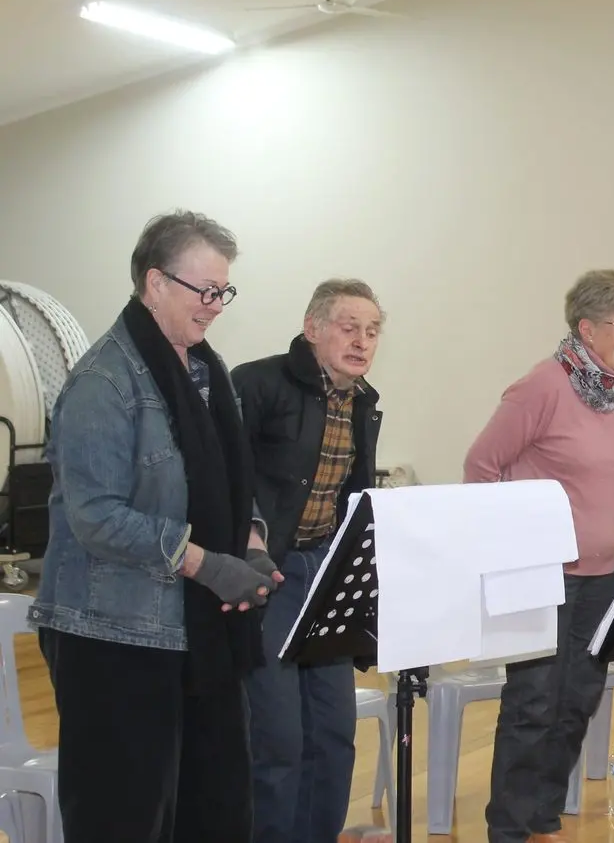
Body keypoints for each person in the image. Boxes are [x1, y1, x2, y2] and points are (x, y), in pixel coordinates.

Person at [28, 210, 280, 843]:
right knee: (125, 817)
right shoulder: (101, 383)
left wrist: (248, 544)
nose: (217, 305)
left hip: (198, 636)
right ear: (154, 283)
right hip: (114, 636)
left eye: (224, 290)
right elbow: (97, 518)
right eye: (205, 290)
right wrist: (205, 563)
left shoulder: (206, 371)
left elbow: (229, 480)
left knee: (214, 807)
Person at [465, 269, 614, 843]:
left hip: (599, 576)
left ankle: (542, 820)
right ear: (587, 327)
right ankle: (510, 828)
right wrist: (513, 549)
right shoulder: (542, 386)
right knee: (534, 704)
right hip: (541, 575)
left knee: (576, 702)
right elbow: (480, 467)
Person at [233, 279, 385, 843]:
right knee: (277, 736)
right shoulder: (257, 383)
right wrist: (248, 546)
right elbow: (226, 476)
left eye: (372, 331)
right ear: (313, 327)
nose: (362, 341)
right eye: (349, 327)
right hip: (269, 573)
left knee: (333, 731)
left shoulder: (363, 400)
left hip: (327, 572)